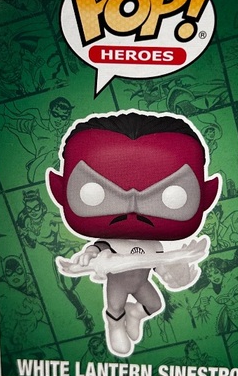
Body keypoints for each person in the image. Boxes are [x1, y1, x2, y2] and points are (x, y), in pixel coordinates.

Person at [47, 111, 221, 356]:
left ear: (206, 196)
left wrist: (173, 273)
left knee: (155, 304)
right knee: (115, 306)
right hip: (117, 284)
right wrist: (88, 254)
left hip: (141, 283)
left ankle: (136, 313)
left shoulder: (156, 247)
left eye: (172, 197)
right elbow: (98, 249)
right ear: (59, 191)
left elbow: (159, 264)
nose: (133, 210)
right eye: (93, 194)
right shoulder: (111, 244)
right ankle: (115, 326)